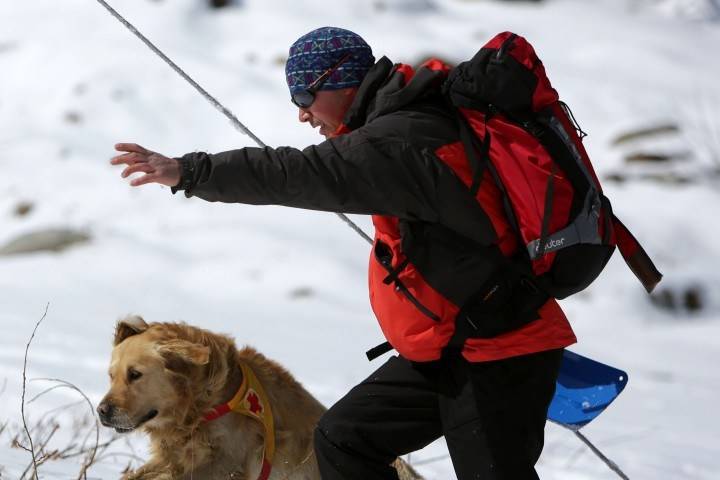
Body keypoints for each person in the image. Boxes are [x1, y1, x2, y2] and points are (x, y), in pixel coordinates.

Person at [111, 26, 577, 480]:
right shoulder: (400, 126)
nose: (302, 115)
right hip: (454, 347)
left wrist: (190, 172)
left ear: (340, 82)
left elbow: (292, 174)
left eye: (303, 97)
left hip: (497, 349)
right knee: (344, 438)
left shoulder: (398, 140)